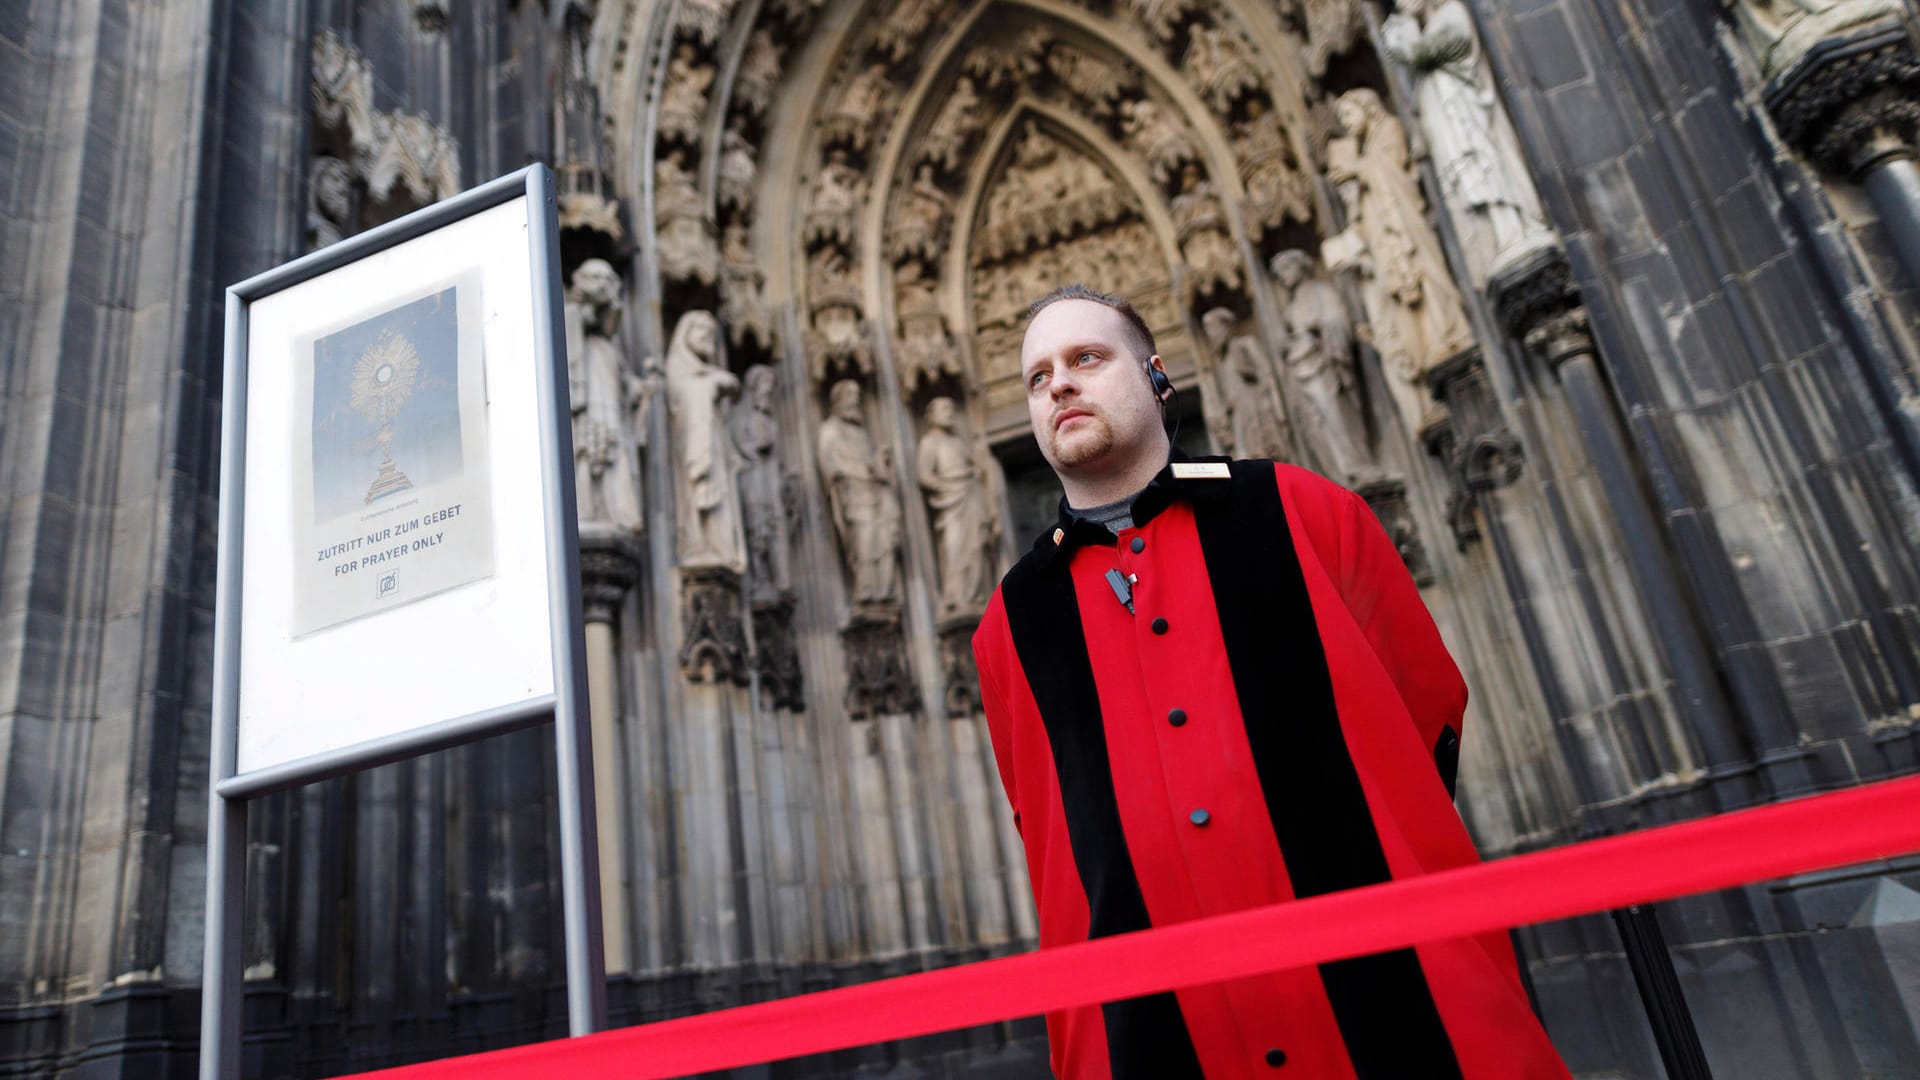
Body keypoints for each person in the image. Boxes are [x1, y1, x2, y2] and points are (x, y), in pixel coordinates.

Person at [970, 284, 1569, 1080]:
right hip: (1151, 1035)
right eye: (1038, 378)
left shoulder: (1303, 512)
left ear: (1157, 378)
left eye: (1087, 357)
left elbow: (1427, 708)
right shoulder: (1009, 622)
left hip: (1397, 1002)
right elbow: (1042, 821)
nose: (1061, 385)